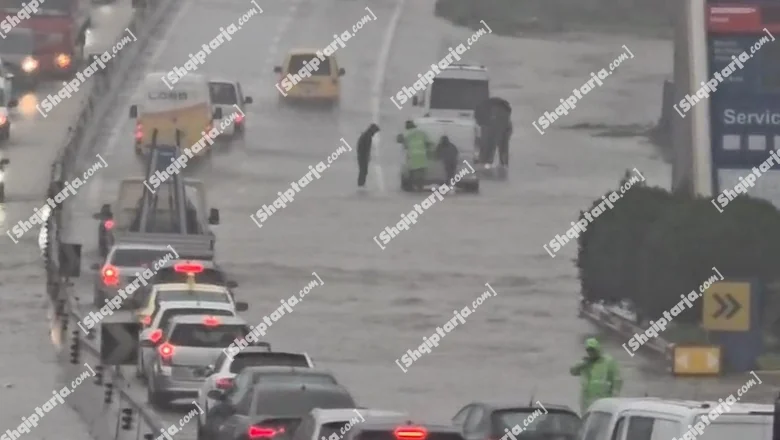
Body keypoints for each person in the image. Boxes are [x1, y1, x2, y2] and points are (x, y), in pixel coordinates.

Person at [569, 338, 622, 413]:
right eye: (588, 350)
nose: (591, 352)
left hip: (604, 401)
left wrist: (614, 398)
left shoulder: (608, 361)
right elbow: (573, 371)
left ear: (598, 349)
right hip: (586, 402)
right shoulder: (585, 363)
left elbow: (617, 380)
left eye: (592, 350)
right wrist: (582, 363)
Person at [401, 120, 433, 190]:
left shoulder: (406, 134)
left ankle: (411, 186)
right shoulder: (421, 132)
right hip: (422, 155)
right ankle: (420, 186)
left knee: (411, 172)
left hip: (412, 155)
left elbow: (405, 145)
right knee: (421, 172)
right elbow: (428, 143)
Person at [356, 123, 380, 188]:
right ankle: (361, 185)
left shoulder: (365, 135)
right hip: (362, 156)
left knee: (363, 171)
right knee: (363, 171)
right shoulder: (367, 137)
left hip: (361, 156)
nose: (374, 134)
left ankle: (361, 184)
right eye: (375, 132)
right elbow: (366, 148)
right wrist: (367, 156)